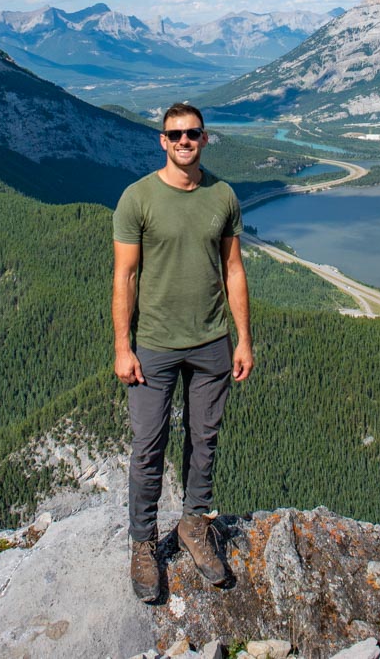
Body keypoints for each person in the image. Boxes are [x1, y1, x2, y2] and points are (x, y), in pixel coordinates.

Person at [112, 102, 253, 602]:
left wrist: (243, 339)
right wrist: (122, 346)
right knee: (148, 446)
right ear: (162, 140)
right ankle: (143, 543)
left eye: (192, 133)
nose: (184, 141)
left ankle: (195, 524)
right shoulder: (138, 198)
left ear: (204, 138)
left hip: (212, 341)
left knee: (204, 439)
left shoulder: (223, 195)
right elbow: (125, 277)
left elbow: (233, 269)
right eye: (175, 134)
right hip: (153, 345)